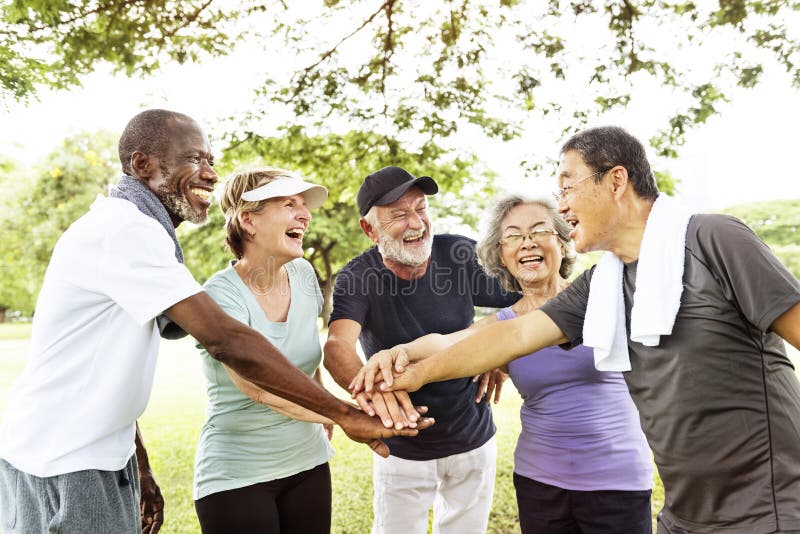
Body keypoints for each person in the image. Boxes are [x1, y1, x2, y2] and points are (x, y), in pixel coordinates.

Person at [0, 110, 430, 534]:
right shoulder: (125, 229)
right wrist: (343, 414)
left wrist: (137, 464)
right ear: (142, 165)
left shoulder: (144, 235)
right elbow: (227, 341)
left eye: (210, 161)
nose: (209, 174)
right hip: (63, 460)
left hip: (101, 455)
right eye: (193, 159)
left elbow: (106, 366)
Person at [365, 126, 800, 534]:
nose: (563, 204)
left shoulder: (713, 239)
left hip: (770, 510)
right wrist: (410, 370)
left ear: (615, 180)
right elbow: (512, 335)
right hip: (684, 515)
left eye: (567, 187)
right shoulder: (605, 284)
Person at [354, 193, 654, 533]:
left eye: (539, 231)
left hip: (617, 481)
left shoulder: (602, 297)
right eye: (512, 236)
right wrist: (397, 352)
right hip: (540, 482)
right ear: (501, 255)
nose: (526, 243)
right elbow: (449, 342)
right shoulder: (505, 323)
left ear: (562, 239)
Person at [324, 166, 518, 534]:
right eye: (398, 215)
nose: (416, 223)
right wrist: (376, 395)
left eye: (421, 208)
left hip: (472, 440)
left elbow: (530, 298)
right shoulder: (358, 276)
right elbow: (337, 346)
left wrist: (499, 355)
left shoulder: (459, 253)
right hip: (402, 448)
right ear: (370, 230)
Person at [192, 167, 338, 533]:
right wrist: (341, 414)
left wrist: (321, 405)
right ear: (248, 220)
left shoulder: (304, 275)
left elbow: (306, 358)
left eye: (304, 205)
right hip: (238, 473)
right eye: (289, 204)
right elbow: (259, 387)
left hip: (309, 461)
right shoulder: (220, 296)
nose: (304, 214)